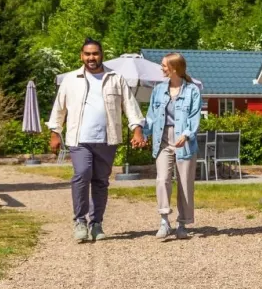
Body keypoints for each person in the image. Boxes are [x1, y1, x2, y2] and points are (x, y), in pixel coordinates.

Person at [47, 39, 146, 243]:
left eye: (95, 54)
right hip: (79, 138)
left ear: (102, 55)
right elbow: (59, 108)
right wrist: (55, 133)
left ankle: (96, 223)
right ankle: (80, 222)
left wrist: (137, 130)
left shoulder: (115, 78)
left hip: (107, 139)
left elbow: (130, 106)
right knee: (82, 175)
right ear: (81, 56)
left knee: (101, 181)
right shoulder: (71, 79)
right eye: (87, 54)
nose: (91, 58)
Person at [144, 52, 203, 240]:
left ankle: (182, 224)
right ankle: (164, 221)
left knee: (185, 184)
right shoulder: (158, 89)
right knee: (162, 180)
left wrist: (186, 135)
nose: (161, 68)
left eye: (164, 65)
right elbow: (151, 115)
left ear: (174, 68)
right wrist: (143, 134)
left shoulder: (192, 90)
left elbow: (194, 117)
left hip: (183, 142)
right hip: (162, 139)